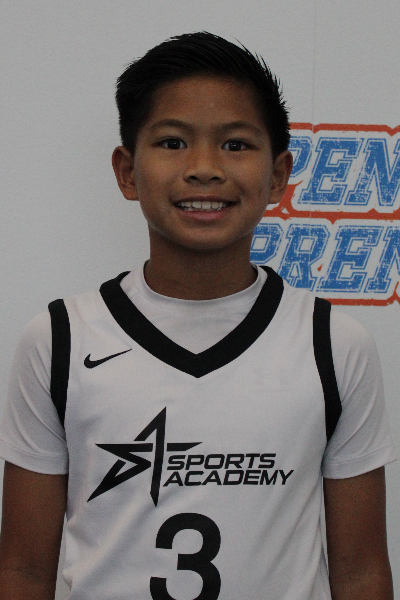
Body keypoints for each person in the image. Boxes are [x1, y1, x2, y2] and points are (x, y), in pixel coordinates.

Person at [0, 31, 396, 600]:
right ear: (127, 171)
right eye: (172, 142)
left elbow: (359, 572)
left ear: (278, 174)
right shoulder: (59, 339)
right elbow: (22, 570)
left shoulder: (333, 343)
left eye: (235, 144)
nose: (205, 168)